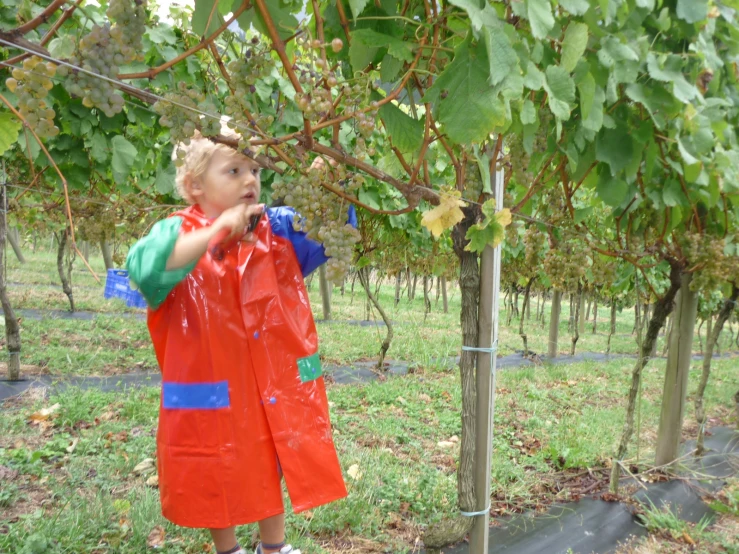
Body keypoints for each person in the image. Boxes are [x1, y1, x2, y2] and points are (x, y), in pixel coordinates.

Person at [126, 128, 351, 554]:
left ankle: (275, 547)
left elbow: (325, 229)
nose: (250, 179)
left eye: (254, 169)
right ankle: (227, 550)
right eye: (234, 170)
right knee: (216, 468)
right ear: (195, 186)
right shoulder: (177, 232)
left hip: (267, 384)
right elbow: (146, 268)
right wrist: (217, 231)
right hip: (211, 391)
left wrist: (326, 186)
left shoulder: (274, 228)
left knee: (270, 460)